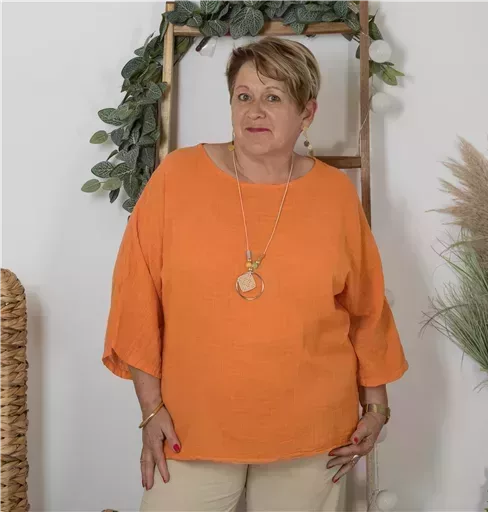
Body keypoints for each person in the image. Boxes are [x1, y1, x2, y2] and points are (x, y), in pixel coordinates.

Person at [103, 36, 408, 512]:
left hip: (313, 431)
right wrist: (150, 409)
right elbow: (136, 296)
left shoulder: (334, 195)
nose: (255, 111)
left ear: (307, 113)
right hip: (191, 425)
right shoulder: (177, 177)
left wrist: (376, 406)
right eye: (243, 96)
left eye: (274, 97)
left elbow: (367, 309)